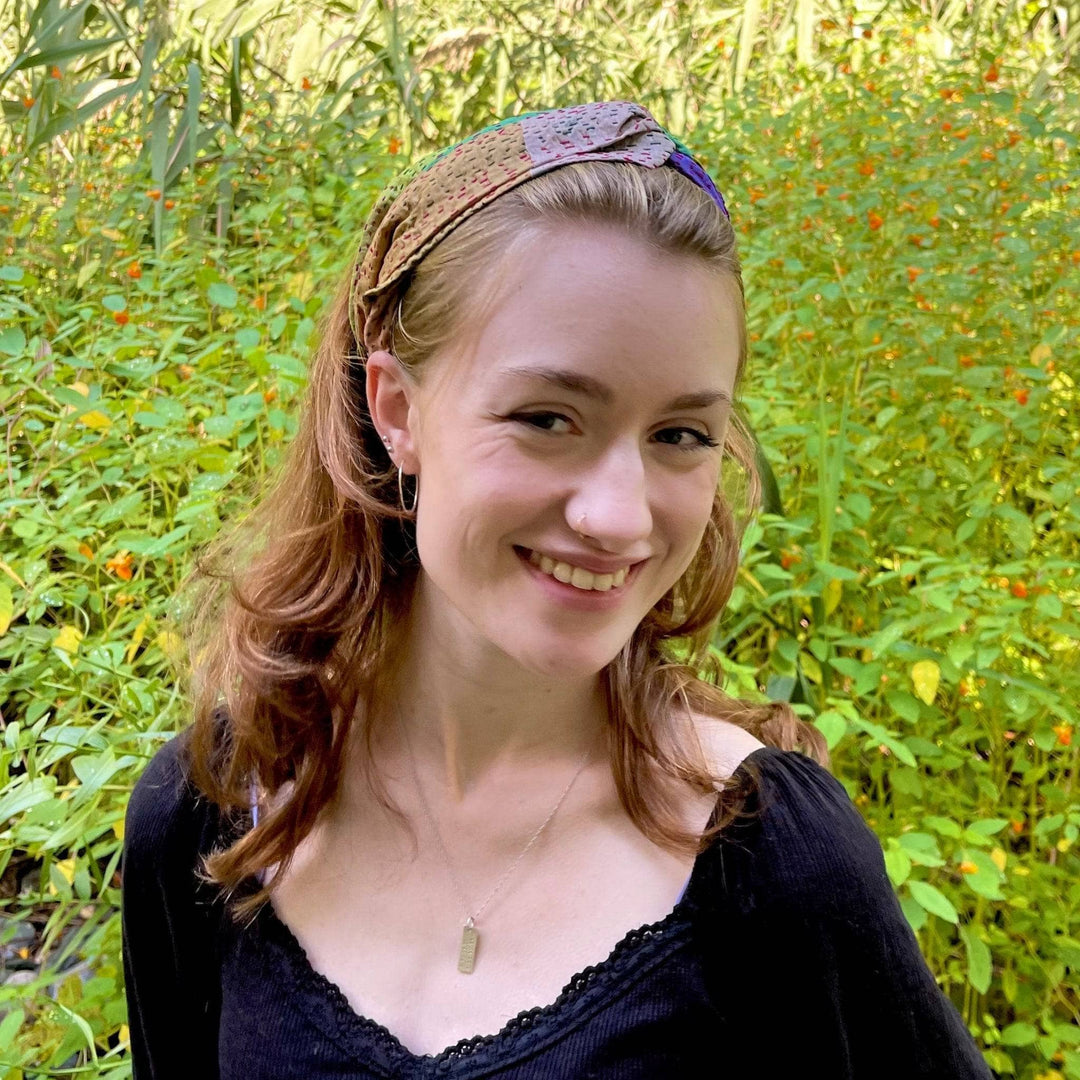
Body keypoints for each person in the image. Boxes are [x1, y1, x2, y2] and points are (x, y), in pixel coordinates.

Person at [121, 101, 993, 1078]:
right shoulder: (213, 812)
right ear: (397, 407)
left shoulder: (774, 868)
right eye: (547, 416)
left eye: (681, 435)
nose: (620, 517)